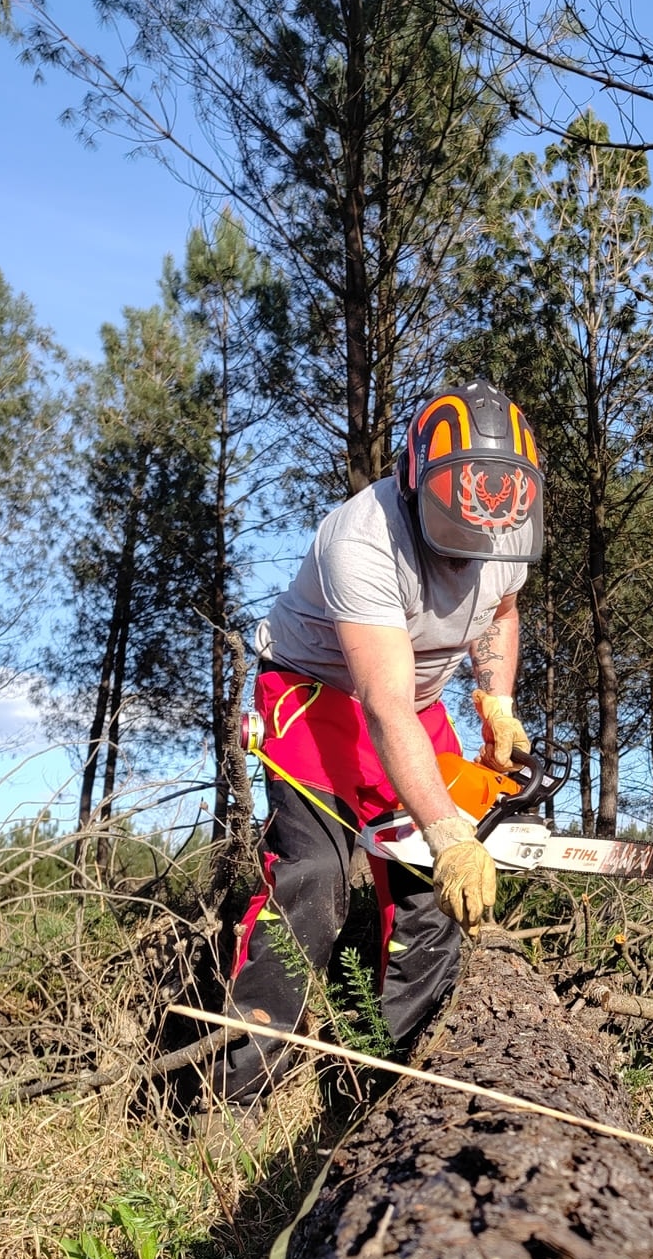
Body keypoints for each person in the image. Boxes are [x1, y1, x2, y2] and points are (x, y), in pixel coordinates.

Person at [214, 379, 544, 1107]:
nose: (477, 544)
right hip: (316, 693)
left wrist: (497, 704)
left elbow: (503, 611)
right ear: (414, 482)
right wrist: (449, 831)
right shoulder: (361, 539)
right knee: (316, 876)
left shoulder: (505, 526)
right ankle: (238, 1095)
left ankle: (374, 1087)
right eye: (459, 526)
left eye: (493, 527)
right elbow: (381, 703)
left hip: (415, 700)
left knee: (431, 894)